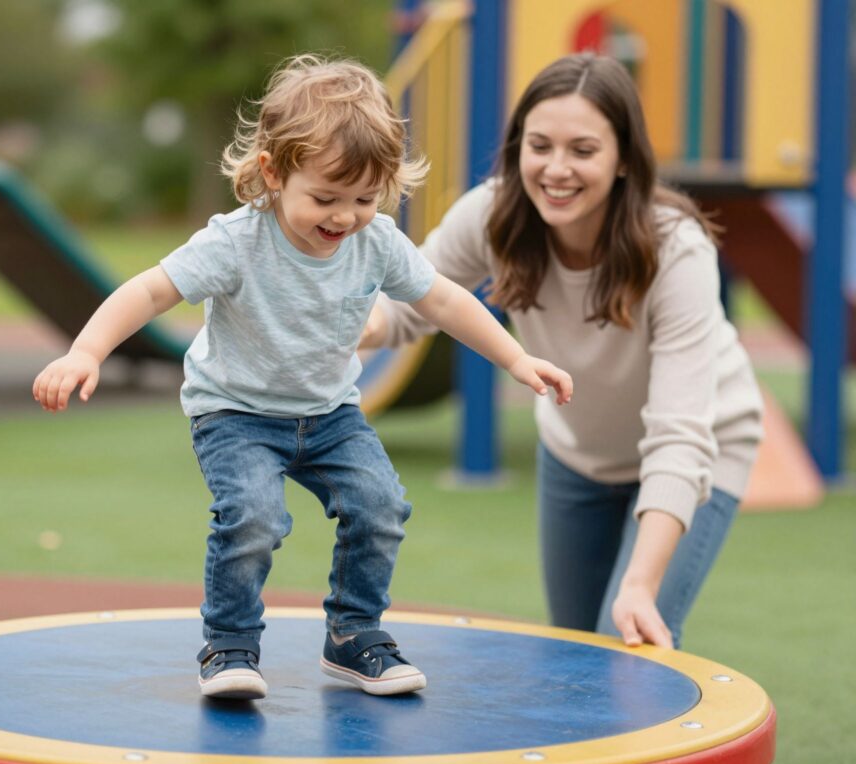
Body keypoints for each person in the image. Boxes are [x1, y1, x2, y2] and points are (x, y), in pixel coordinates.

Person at [33, 54, 572, 700]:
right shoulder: (236, 241)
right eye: (325, 198)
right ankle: (229, 644)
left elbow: (447, 302)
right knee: (254, 516)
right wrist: (86, 352)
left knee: (380, 506)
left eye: (365, 199)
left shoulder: (376, 242)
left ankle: (354, 637)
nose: (344, 216)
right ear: (273, 173)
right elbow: (151, 292)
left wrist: (515, 358)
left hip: (329, 413)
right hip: (235, 412)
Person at [364, 52, 763, 650]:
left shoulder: (676, 249)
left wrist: (640, 584)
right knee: (576, 654)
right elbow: (402, 303)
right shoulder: (493, 216)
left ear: (624, 158)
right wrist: (341, 324)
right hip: (577, 453)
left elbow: (680, 435)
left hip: (700, 448)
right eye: (540, 145)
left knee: (630, 641)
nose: (556, 169)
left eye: (583, 150)